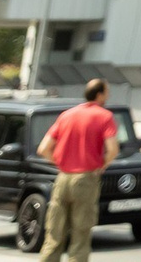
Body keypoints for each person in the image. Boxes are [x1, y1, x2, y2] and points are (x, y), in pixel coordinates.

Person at [34, 78, 119, 262]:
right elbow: (113, 149)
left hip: (63, 177)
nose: (108, 95)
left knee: (55, 233)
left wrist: (60, 162)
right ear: (99, 94)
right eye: (107, 92)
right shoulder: (104, 116)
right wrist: (101, 164)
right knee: (80, 235)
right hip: (85, 178)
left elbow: (43, 148)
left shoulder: (67, 115)